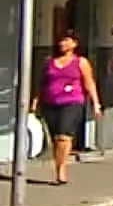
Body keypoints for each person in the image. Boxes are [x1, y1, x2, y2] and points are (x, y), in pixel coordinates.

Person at [31, 32, 101, 186]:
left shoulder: (80, 62)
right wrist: (35, 101)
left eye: (67, 41)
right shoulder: (49, 62)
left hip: (72, 102)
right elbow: (42, 83)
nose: (63, 43)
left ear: (74, 44)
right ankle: (58, 166)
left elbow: (89, 83)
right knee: (56, 138)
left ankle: (61, 171)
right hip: (50, 103)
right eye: (61, 41)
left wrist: (96, 103)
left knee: (64, 135)